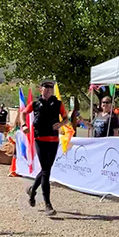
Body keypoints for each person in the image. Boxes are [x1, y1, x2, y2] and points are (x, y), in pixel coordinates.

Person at [21, 80, 69, 216]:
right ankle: (48, 204)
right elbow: (23, 113)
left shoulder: (58, 104)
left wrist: (60, 124)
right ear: (40, 89)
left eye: (50, 87)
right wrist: (24, 125)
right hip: (40, 139)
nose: (48, 89)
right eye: (45, 87)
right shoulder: (36, 104)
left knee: (45, 170)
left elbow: (66, 118)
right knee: (46, 170)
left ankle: (32, 190)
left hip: (53, 140)